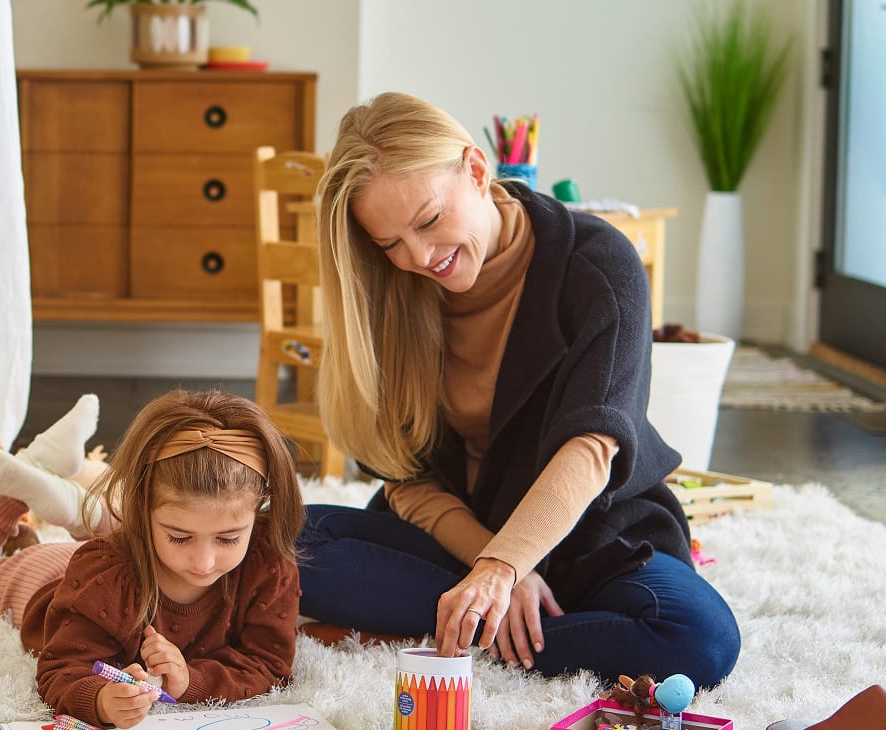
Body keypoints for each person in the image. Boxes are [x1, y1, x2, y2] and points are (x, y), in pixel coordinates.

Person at [298, 92, 740, 687]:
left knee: (700, 640)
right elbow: (409, 480)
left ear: (477, 171)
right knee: (277, 538)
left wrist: (506, 565)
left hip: (591, 537)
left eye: (429, 221)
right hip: (458, 543)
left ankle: (460, 628)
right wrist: (493, 564)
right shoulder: (389, 288)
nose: (420, 257)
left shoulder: (597, 263)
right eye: (391, 243)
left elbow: (591, 447)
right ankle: (505, 624)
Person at [0, 390, 305, 729]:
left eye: (229, 538)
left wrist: (192, 680)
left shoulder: (268, 564)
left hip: (114, 562)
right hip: (42, 581)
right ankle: (24, 472)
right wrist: (101, 702)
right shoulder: (104, 575)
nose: (204, 561)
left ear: (259, 513)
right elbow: (60, 672)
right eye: (179, 537)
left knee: (140, 549)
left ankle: (77, 505)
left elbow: (268, 663)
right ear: (141, 510)